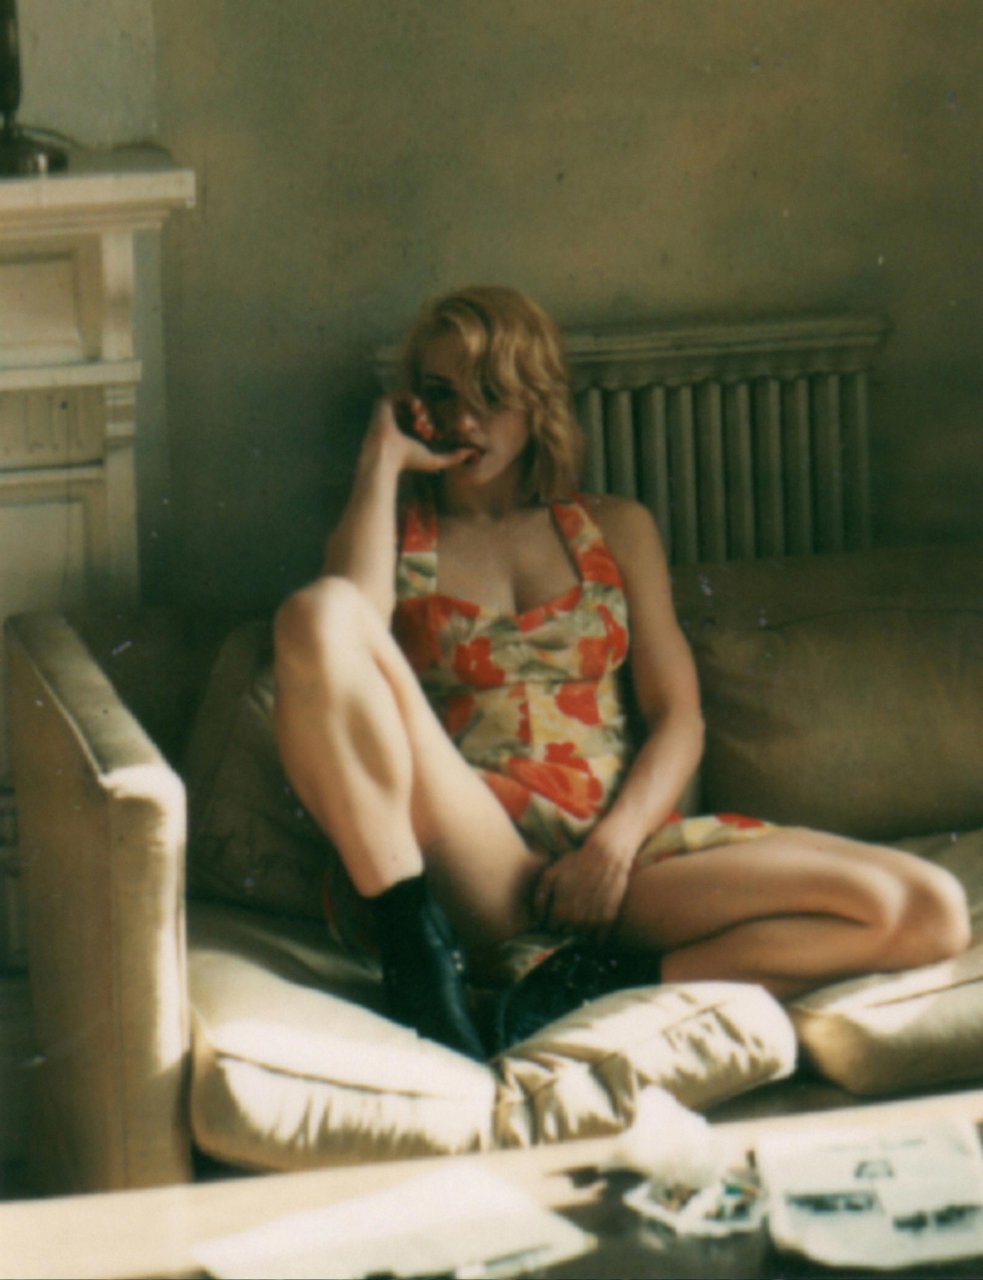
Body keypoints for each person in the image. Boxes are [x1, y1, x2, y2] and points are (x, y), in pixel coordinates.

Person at [273, 285, 971, 1060]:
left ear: (536, 401)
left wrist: (610, 849)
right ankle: (416, 954)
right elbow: (342, 642)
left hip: (619, 860)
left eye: (491, 396)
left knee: (928, 908)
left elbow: (678, 717)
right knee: (318, 610)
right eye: (441, 395)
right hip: (484, 858)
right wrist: (380, 458)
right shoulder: (396, 531)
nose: (465, 420)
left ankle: (580, 988)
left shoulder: (614, 526)